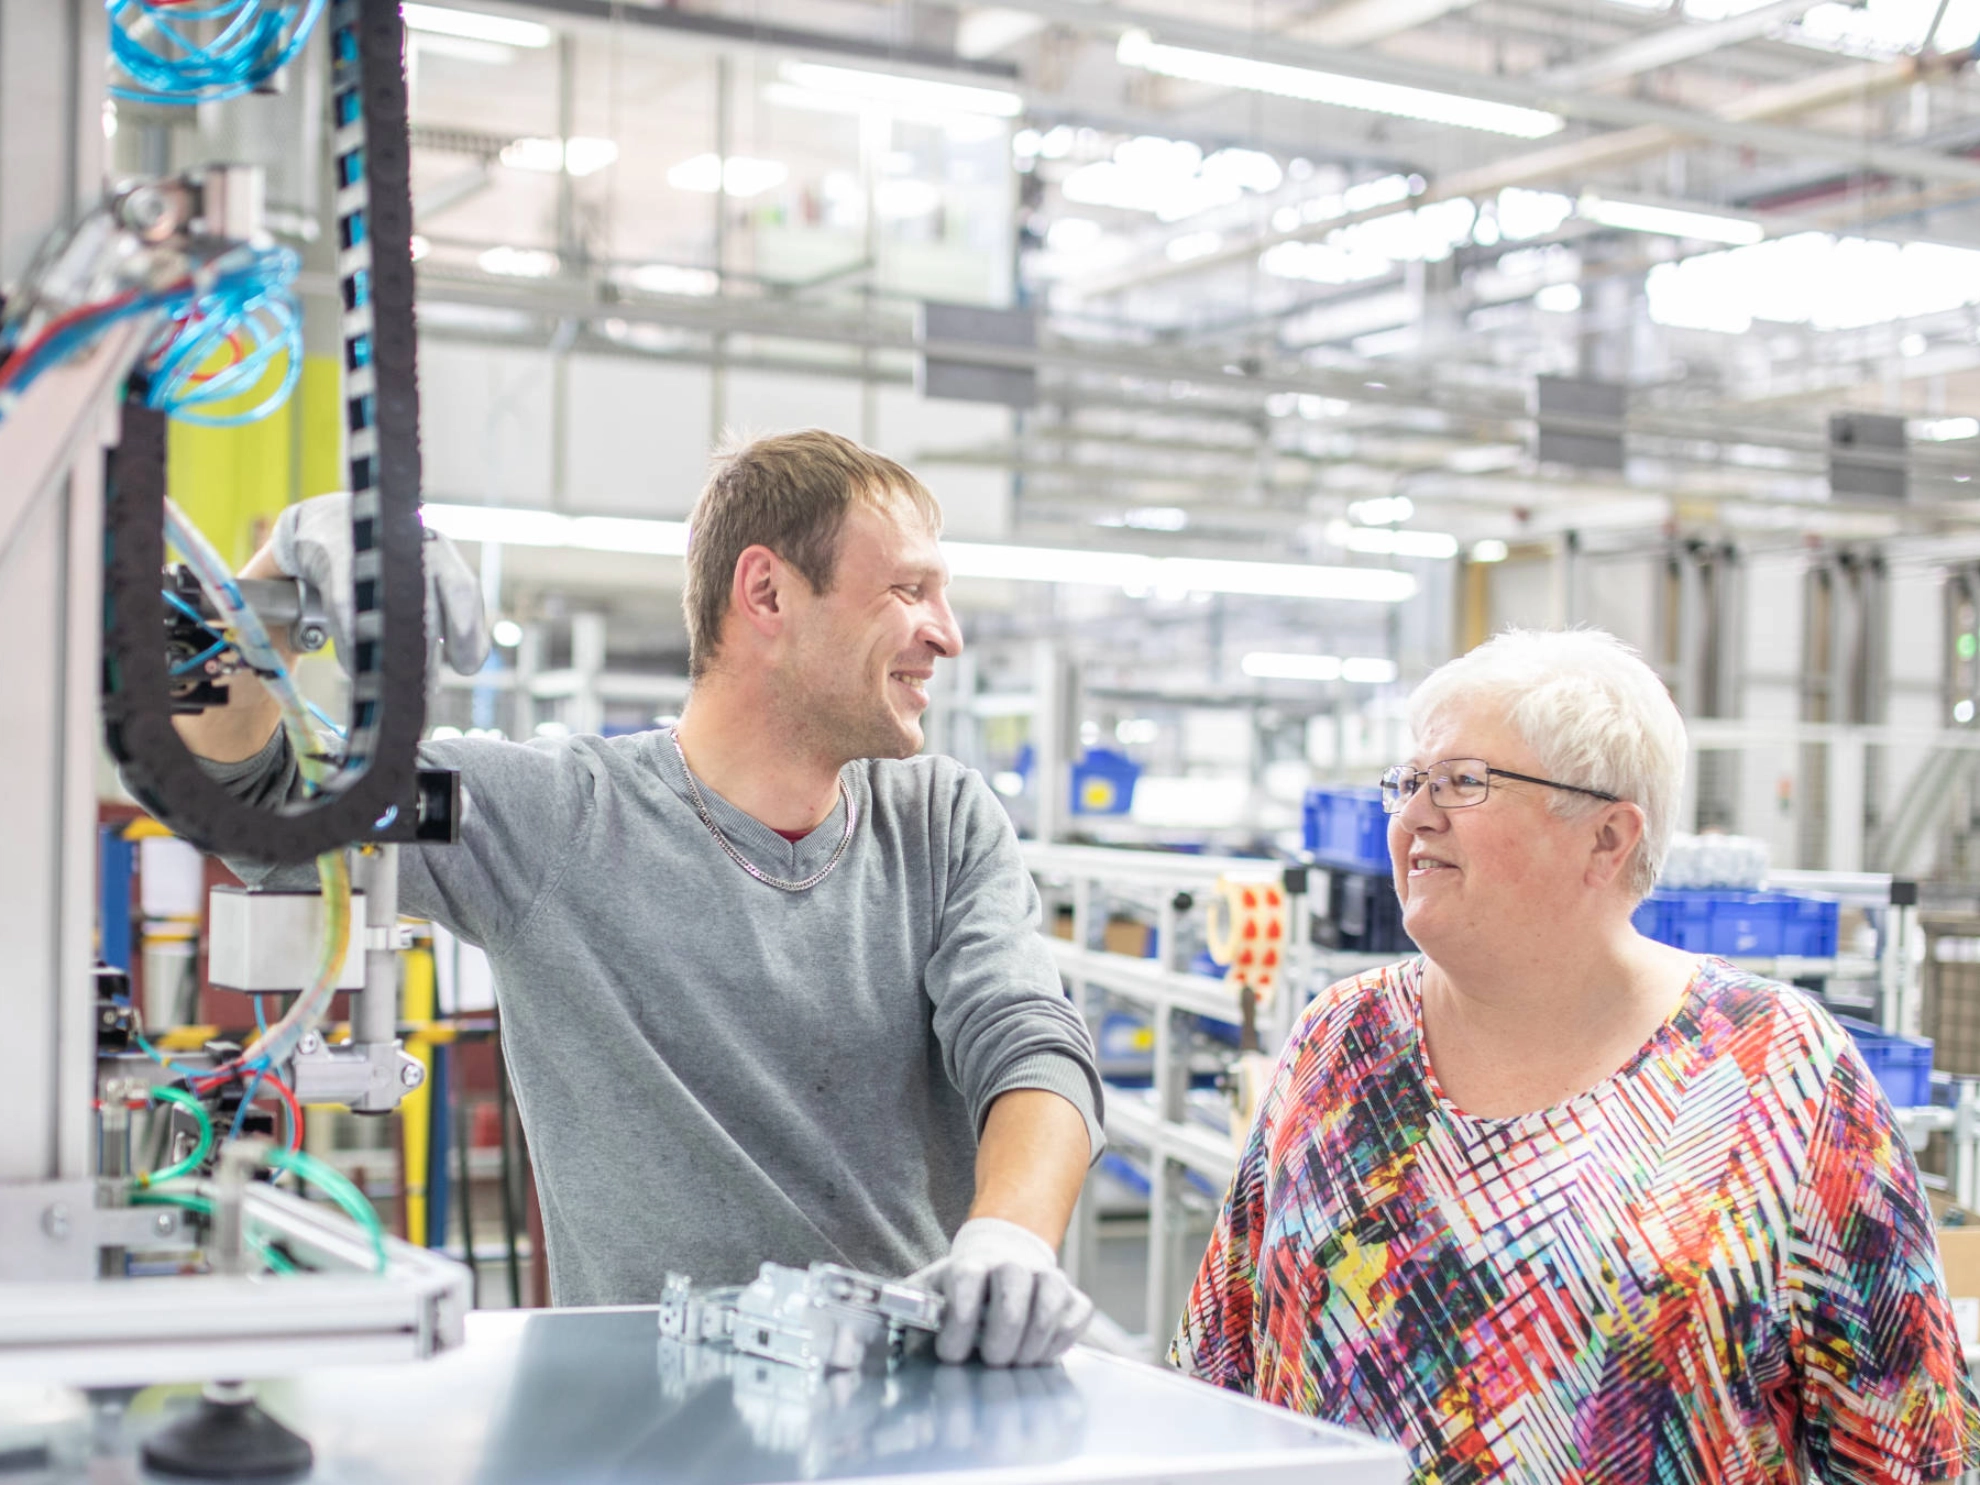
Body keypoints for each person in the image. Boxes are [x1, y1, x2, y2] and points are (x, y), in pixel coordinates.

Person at [175, 429, 1103, 1368]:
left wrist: (1009, 1235)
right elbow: (240, 793)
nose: (946, 631)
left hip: (907, 1398)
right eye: (909, 590)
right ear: (768, 593)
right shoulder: (550, 821)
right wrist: (272, 590)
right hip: (643, 1416)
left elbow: (1030, 1041)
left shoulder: (941, 819)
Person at [1172, 628, 1979, 1481]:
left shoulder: (1780, 1072)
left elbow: (1910, 1453)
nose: (1412, 816)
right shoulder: (1341, 1041)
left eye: (1462, 783)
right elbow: (1217, 1369)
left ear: (1607, 837)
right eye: (1408, 783)